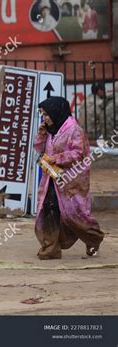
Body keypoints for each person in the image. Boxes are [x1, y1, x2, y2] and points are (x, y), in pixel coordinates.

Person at [34, 96, 104, 260]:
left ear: (55, 112)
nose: (44, 118)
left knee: (74, 214)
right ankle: (50, 248)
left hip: (71, 181)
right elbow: (39, 149)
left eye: (46, 114)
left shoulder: (74, 130)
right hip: (52, 178)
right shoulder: (50, 130)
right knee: (49, 209)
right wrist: (41, 135)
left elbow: (78, 153)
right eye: (42, 114)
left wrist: (56, 158)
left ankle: (93, 239)